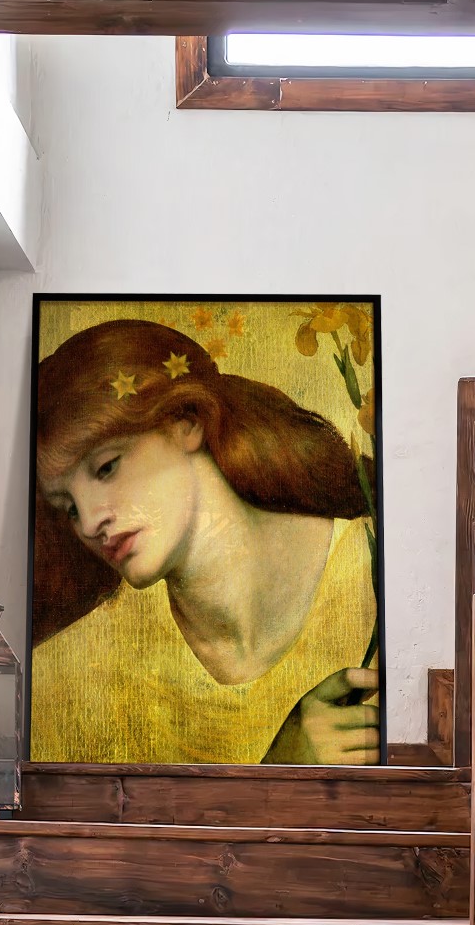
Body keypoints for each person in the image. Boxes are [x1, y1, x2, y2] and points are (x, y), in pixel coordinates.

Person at [29, 318, 380, 765]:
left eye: (106, 468)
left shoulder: (376, 571)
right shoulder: (75, 674)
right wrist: (282, 773)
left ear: (186, 422)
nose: (90, 522)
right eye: (69, 508)